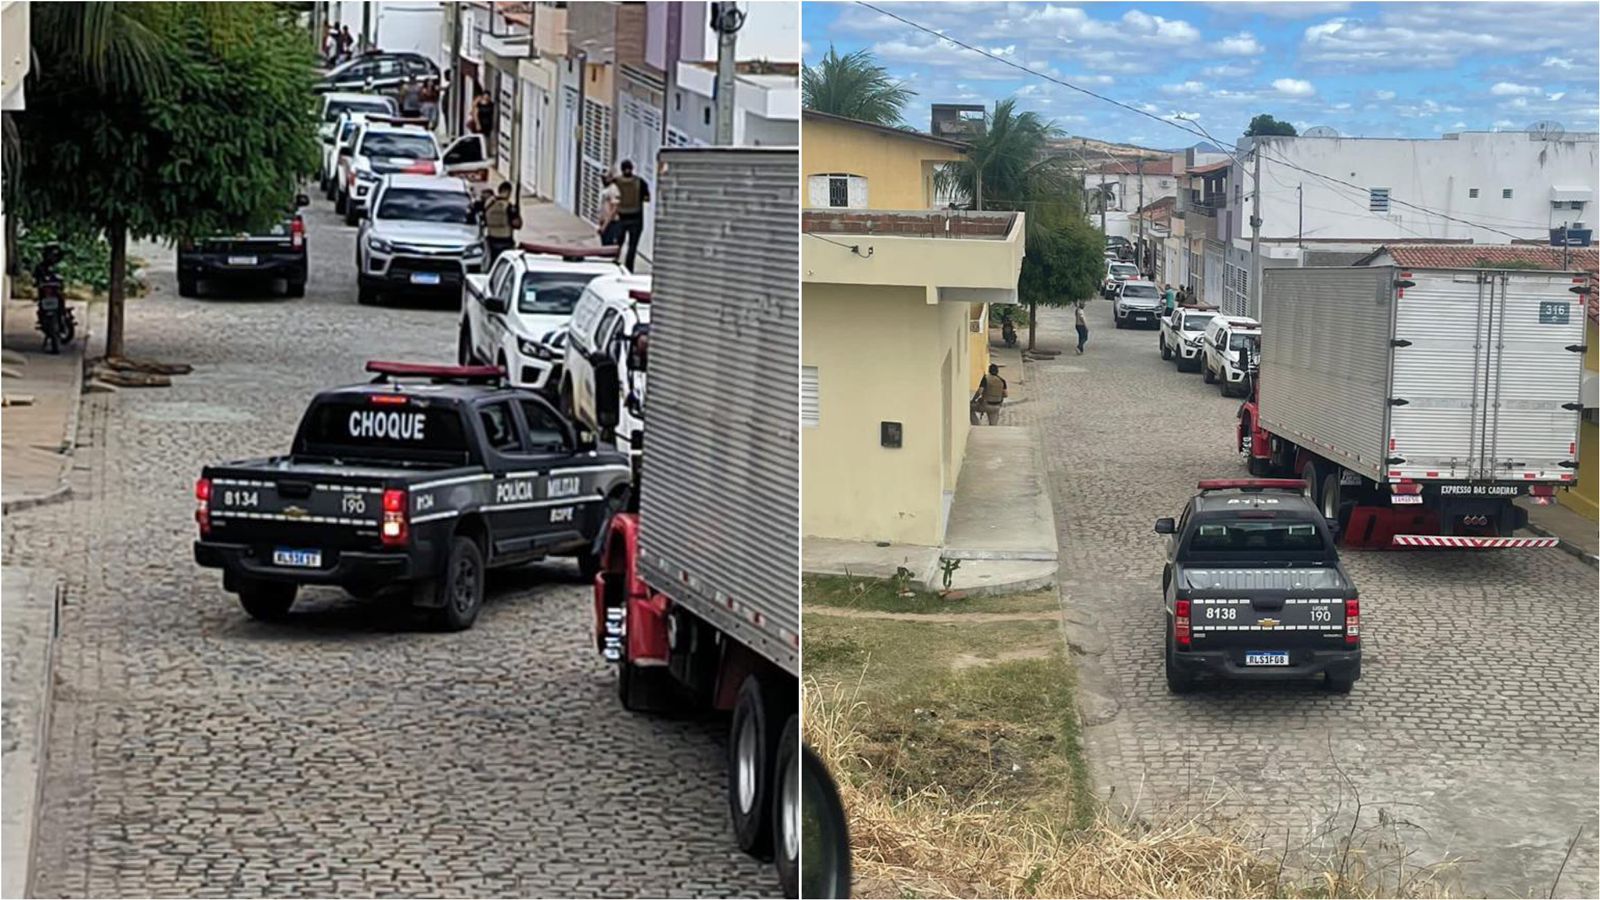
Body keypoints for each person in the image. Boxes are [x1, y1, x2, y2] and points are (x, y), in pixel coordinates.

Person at [613, 159, 650, 271]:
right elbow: (647, 198)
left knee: (617, 245)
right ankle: (629, 268)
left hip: (620, 217)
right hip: (636, 218)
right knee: (632, 246)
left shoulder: (616, 182)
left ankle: (613, 263)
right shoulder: (640, 182)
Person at [481, 181, 520, 263]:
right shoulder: (508, 206)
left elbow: (483, 219)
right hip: (506, 240)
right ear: (508, 192)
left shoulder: (488, 204)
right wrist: (517, 214)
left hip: (491, 239)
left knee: (493, 262)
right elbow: (517, 224)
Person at [597, 172, 622, 246]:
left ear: (611, 178)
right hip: (604, 222)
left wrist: (605, 225)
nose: (603, 179)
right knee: (604, 245)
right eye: (602, 177)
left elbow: (614, 208)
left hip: (611, 223)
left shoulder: (613, 189)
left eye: (605, 178)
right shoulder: (605, 189)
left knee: (609, 246)